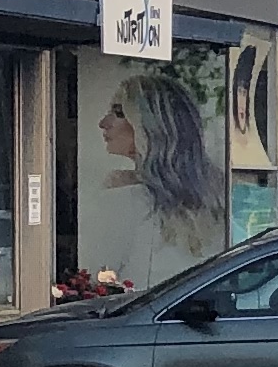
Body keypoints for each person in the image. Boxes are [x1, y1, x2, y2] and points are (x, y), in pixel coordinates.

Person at [93, 64, 226, 260]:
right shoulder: (216, 195)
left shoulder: (128, 200)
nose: (103, 123)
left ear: (151, 125)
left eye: (119, 112)